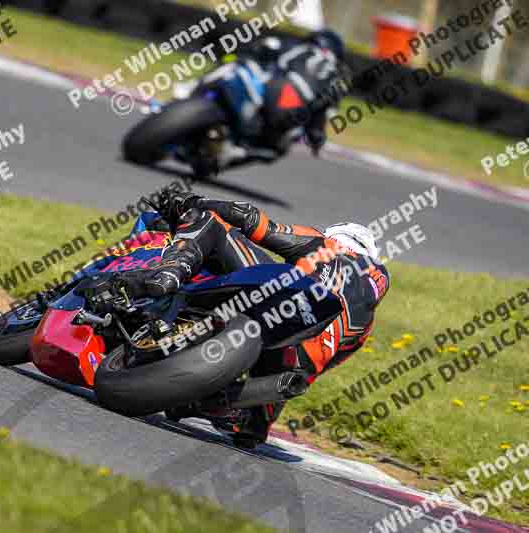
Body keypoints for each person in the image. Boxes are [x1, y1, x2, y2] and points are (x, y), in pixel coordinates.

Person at [116, 189, 390, 446]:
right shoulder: (364, 328)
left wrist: (191, 205)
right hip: (278, 379)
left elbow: (249, 217)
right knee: (273, 401)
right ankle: (252, 422)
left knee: (211, 223)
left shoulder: (328, 246)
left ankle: (169, 273)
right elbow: (312, 367)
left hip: (278, 313)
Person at [233, 29, 347, 160]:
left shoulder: (300, 47)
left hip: (277, 87)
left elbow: (268, 48)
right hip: (298, 110)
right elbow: (322, 114)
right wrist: (317, 140)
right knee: (283, 138)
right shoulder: (337, 77)